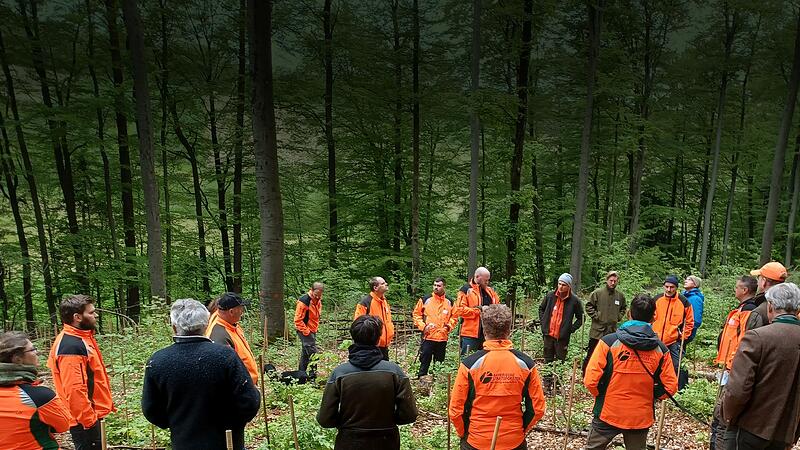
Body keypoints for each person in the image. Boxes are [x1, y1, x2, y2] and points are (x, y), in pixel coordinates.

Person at [142, 299, 260, 450]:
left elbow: (151, 409)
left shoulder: (158, 361)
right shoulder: (226, 357)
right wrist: (233, 424)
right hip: (227, 442)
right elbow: (250, 401)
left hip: (184, 442)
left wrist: (178, 423)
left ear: (174, 327)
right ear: (205, 325)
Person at [583, 294, 678, 450]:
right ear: (654, 317)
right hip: (640, 416)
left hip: (609, 411)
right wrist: (652, 395)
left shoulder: (608, 342)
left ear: (629, 313)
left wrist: (602, 394)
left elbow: (590, 380)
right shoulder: (661, 350)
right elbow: (670, 387)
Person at [449, 304, 546, 450]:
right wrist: (520, 430)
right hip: (513, 440)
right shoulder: (526, 364)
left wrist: (465, 434)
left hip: (477, 440)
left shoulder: (470, 364)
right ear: (509, 329)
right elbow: (537, 409)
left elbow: (456, 410)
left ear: (484, 329)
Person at [317, 315, 418, 449]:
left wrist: (347, 424)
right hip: (386, 441)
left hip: (349, 442)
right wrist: (388, 422)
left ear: (353, 338)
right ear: (378, 339)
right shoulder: (394, 372)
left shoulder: (340, 374)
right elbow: (409, 415)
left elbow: (325, 419)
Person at [722, 283, 800, 450]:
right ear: (797, 309)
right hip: (785, 433)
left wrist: (728, 417)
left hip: (749, 428)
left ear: (770, 307)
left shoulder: (757, 338)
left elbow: (737, 390)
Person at [48, 294, 115, 450]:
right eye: (91, 313)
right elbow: (74, 389)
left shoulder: (80, 338)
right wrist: (89, 421)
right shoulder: (71, 346)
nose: (96, 315)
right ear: (77, 317)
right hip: (84, 420)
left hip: (89, 414)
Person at [709, 275, 759, 450]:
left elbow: (744, 341)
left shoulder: (748, 312)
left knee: (723, 413)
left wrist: (733, 365)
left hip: (732, 368)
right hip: (727, 367)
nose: (734, 290)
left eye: (737, 287)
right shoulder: (741, 309)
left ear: (745, 290)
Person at [0, 331, 71, 449]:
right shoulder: (40, 397)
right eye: (32, 350)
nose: (37, 352)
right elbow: (63, 425)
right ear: (17, 359)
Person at [538, 273, 583, 391]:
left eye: (564, 284)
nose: (561, 287)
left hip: (562, 338)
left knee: (560, 362)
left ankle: (557, 386)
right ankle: (547, 385)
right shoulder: (550, 296)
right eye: (559, 283)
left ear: (569, 286)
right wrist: (544, 323)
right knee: (548, 360)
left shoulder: (574, 301)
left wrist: (570, 329)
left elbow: (581, 318)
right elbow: (541, 309)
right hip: (548, 335)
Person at [205, 292, 259, 384]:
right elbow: (225, 372)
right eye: (241, 309)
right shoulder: (219, 336)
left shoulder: (232, 325)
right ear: (231, 312)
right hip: (238, 390)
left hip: (246, 385)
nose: (242, 312)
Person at [583, 270, 626, 375]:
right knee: (592, 353)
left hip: (611, 331)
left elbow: (623, 308)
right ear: (607, 280)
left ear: (617, 282)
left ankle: (604, 375)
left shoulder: (620, 296)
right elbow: (588, 306)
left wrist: (618, 317)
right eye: (611, 280)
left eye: (615, 281)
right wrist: (596, 316)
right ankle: (585, 373)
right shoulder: (598, 293)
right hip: (597, 331)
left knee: (609, 355)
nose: (613, 283)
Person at [412, 277, 456, 377]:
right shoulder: (425, 299)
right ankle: (421, 381)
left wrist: (448, 327)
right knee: (424, 361)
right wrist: (423, 327)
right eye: (435, 285)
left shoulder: (450, 301)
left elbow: (455, 316)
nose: (436, 287)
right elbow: (416, 314)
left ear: (444, 286)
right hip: (428, 336)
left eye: (439, 286)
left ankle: (437, 383)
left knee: (439, 363)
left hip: (442, 337)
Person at [651, 275, 694, 376]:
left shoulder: (684, 302)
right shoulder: (657, 299)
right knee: (654, 366)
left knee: (676, 366)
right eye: (666, 287)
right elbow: (649, 317)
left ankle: (677, 388)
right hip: (655, 340)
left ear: (676, 288)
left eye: (672, 287)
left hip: (674, 342)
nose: (669, 289)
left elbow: (689, 322)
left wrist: (683, 337)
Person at [454, 267, 500, 355]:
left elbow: (497, 305)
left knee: (485, 361)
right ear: (477, 277)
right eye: (485, 280)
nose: (487, 282)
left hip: (488, 333)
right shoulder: (466, 290)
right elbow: (460, 310)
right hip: (470, 334)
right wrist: (480, 310)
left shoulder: (491, 291)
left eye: (488, 280)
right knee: (467, 360)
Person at [354, 277, 395, 360]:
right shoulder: (365, 303)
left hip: (384, 346)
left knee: (384, 371)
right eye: (383, 283)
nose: (386, 284)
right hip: (371, 347)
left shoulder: (384, 301)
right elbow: (358, 325)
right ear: (375, 288)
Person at [745, 262, 789, 331]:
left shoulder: (759, 313)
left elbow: (751, 340)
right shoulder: (793, 307)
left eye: (758, 278)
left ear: (763, 282)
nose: (757, 283)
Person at [294, 282, 324, 379]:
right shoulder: (304, 301)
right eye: (316, 295)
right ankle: (312, 378)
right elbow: (298, 320)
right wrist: (306, 332)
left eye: (319, 295)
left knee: (305, 354)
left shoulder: (318, 300)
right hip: (304, 330)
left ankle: (300, 374)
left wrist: (313, 330)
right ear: (311, 290)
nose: (318, 297)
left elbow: (316, 315)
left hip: (313, 329)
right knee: (313, 354)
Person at [682, 275, 705, 343]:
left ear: (695, 284)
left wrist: (685, 333)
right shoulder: (684, 297)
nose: (685, 281)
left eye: (689, 280)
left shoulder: (695, 299)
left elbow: (696, 320)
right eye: (686, 279)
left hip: (686, 332)